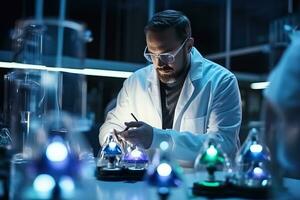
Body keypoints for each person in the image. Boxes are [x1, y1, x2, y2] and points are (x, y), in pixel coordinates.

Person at [99, 10, 242, 167]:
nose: (159, 64)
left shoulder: (221, 81)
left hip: (197, 182)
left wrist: (155, 138)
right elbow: (112, 124)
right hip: (146, 182)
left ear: (188, 46)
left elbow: (224, 144)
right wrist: (113, 140)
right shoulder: (135, 82)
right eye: (152, 54)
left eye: (167, 55)